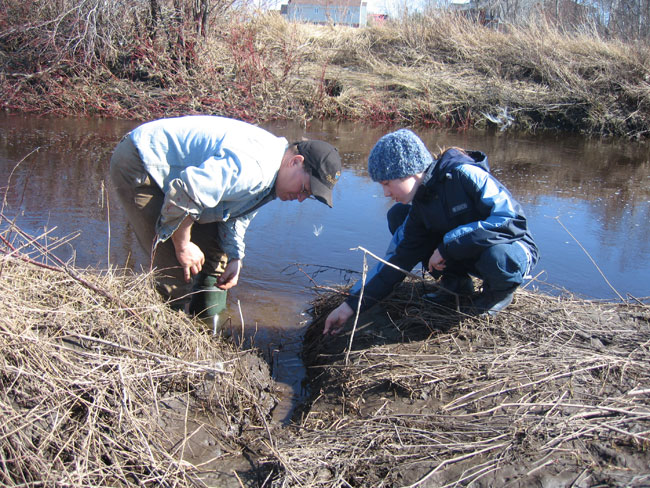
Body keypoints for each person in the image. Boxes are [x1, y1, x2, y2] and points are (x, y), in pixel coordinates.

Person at [110, 115, 342, 324]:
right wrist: (183, 245)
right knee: (175, 270)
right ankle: (169, 342)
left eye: (308, 196)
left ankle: (208, 335)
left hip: (182, 184)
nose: (301, 198)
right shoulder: (255, 168)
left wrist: (235, 256)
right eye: (304, 188)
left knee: (217, 257)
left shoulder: (274, 176)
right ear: (295, 161)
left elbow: (235, 215)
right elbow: (185, 194)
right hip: (143, 162)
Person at [324, 128, 538, 335]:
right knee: (399, 217)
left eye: (387, 183)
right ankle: (456, 283)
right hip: (467, 252)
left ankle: (499, 292)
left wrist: (449, 246)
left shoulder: (465, 174)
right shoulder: (420, 206)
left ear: (410, 172)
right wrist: (349, 307)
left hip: (512, 249)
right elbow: (395, 261)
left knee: (498, 256)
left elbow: (510, 220)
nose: (386, 193)